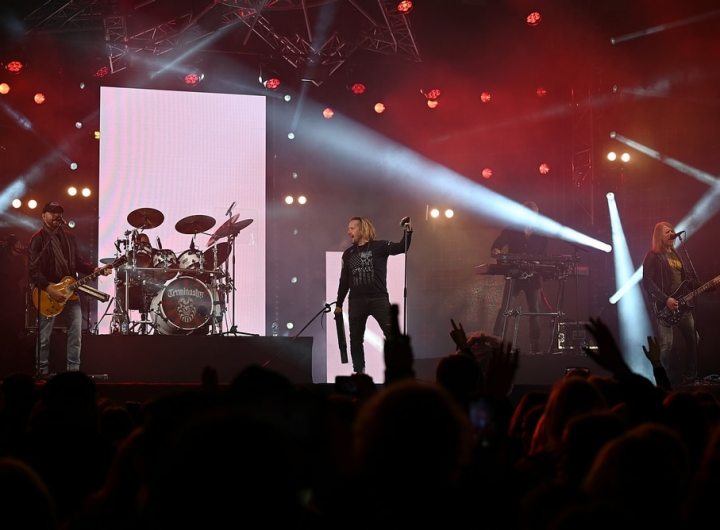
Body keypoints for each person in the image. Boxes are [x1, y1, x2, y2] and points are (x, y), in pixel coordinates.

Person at [28, 201, 112, 377]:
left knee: (76, 333)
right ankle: (42, 371)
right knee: (44, 336)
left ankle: (73, 372)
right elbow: (33, 270)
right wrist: (49, 288)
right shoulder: (38, 239)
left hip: (70, 292)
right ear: (43, 216)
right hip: (47, 291)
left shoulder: (69, 238)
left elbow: (78, 262)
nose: (57, 215)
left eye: (59, 212)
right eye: (52, 212)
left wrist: (94, 269)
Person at [335, 216, 412, 374]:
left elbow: (401, 247)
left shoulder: (380, 246)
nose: (348, 232)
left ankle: (399, 371)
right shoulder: (348, 254)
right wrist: (339, 303)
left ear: (362, 229)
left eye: (352, 228)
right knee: (355, 340)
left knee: (392, 335)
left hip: (379, 299)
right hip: (356, 301)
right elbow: (344, 281)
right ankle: (359, 373)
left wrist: (408, 231)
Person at [642, 221, 698, 384]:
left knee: (694, 339)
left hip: (682, 305)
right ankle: (661, 381)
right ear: (659, 236)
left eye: (672, 231)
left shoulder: (677, 254)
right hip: (664, 306)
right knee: (666, 345)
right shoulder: (653, 255)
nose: (671, 233)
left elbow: (686, 281)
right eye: (666, 232)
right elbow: (647, 282)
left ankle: (690, 376)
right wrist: (665, 299)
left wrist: (709, 286)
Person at [490, 201, 548, 353]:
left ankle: (535, 345)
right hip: (514, 275)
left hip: (533, 277)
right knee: (505, 308)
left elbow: (544, 255)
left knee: (535, 310)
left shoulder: (541, 233)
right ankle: (497, 341)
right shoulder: (512, 229)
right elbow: (497, 245)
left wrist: (537, 262)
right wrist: (496, 250)